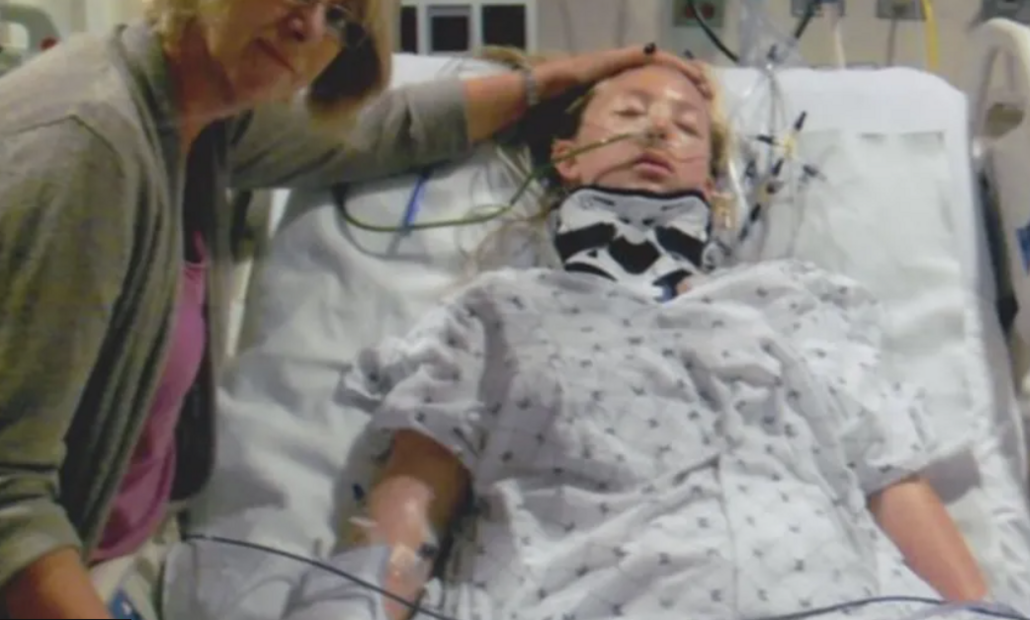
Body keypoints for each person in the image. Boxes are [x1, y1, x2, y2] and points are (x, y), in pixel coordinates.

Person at [0, 0, 710, 616]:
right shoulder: (85, 151)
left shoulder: (203, 116)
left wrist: (549, 79)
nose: (308, 23)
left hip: (112, 546)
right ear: (566, 157)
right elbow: (10, 507)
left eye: (340, 14)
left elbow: (380, 129)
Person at [333, 60, 995, 620]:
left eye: (686, 128)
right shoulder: (499, 311)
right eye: (628, 114)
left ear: (710, 187)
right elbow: (410, 506)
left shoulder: (796, 304)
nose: (658, 129)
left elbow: (890, 481)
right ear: (565, 156)